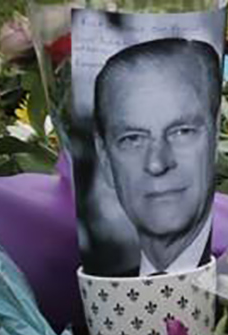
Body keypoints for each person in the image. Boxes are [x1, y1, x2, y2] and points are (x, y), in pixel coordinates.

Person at [93, 38, 221, 276]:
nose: (157, 163)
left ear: (218, 135)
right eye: (133, 138)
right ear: (105, 158)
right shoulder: (90, 286)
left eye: (182, 132)